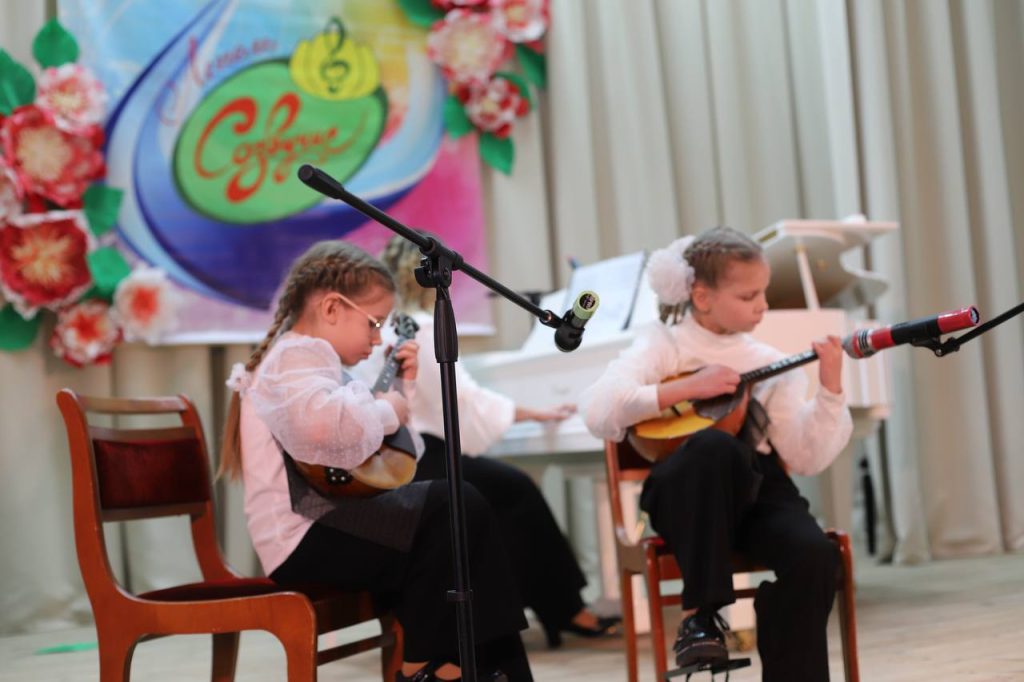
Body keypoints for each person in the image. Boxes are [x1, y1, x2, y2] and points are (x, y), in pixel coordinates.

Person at [218, 240, 533, 681]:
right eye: (373, 323)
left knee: (458, 516)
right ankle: (431, 666)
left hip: (324, 524)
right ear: (331, 308)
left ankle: (456, 665)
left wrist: (398, 393)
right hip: (305, 537)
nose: (376, 338)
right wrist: (390, 408)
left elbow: (381, 458)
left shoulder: (310, 359)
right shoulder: (295, 356)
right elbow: (324, 428)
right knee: (455, 507)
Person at [581, 226, 852, 681]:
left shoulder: (768, 360)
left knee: (814, 556)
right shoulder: (663, 343)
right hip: (686, 495)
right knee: (714, 445)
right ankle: (701, 617)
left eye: (763, 292)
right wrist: (688, 387)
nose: (762, 305)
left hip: (758, 492)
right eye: (748, 296)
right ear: (702, 297)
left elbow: (806, 458)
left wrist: (830, 390)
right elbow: (597, 411)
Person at [375, 234, 621, 648]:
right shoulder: (420, 326)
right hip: (421, 457)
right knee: (516, 490)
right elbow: (463, 400)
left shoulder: (391, 325)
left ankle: (551, 607)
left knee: (505, 492)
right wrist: (533, 412)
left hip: (406, 455)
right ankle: (564, 609)